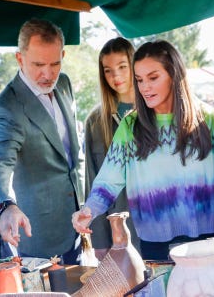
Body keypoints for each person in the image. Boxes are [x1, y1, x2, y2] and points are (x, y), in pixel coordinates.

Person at [72, 40, 214, 260]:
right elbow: (108, 179)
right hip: (155, 246)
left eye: (153, 78)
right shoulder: (130, 126)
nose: (144, 87)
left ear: (174, 75)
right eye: (139, 80)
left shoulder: (208, 119)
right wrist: (88, 210)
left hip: (206, 242)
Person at [0, 18, 85, 264]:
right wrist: (5, 206)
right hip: (39, 235)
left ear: (63, 54)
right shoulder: (7, 106)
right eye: (38, 64)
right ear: (20, 59)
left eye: (55, 63)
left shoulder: (65, 83)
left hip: (78, 224)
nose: (48, 74)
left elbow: (70, 155)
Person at [84, 37, 140, 260]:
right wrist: (99, 241)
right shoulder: (95, 121)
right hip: (119, 230)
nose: (115, 76)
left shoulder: (155, 109)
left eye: (122, 67)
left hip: (155, 223)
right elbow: (91, 180)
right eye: (108, 70)